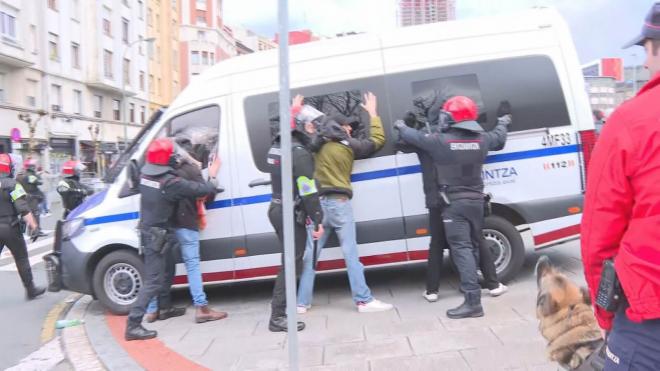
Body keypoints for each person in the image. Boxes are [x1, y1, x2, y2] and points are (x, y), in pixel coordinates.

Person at [581, 3, 660, 368]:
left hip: (650, 314)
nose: (645, 63)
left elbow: (600, 234)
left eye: (646, 49)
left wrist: (606, 315)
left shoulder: (630, 120)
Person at [394, 96, 510, 319]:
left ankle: (472, 301)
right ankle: (480, 287)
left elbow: (412, 136)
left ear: (452, 118)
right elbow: (499, 136)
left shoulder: (440, 141)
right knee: (474, 244)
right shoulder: (482, 139)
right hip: (477, 202)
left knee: (462, 249)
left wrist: (400, 125)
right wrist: (504, 120)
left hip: (454, 205)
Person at [297, 92, 394, 314]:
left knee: (311, 256)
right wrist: (373, 114)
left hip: (318, 207)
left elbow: (303, 137)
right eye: (347, 126)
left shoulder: (315, 146)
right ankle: (363, 300)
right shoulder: (349, 146)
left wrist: (299, 115)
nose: (350, 129)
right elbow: (378, 141)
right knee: (350, 253)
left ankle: (302, 303)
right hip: (339, 203)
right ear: (341, 128)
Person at [125, 138, 221, 341]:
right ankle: (133, 324)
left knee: (166, 271)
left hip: (150, 232)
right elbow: (203, 190)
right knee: (153, 281)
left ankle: (164, 308)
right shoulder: (170, 183)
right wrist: (211, 175)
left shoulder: (144, 175)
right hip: (157, 235)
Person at [144, 135, 228, 324]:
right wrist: (212, 176)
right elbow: (206, 193)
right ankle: (201, 307)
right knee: (192, 265)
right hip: (187, 223)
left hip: (166, 226)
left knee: (160, 268)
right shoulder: (190, 170)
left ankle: (153, 309)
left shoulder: (160, 171)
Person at [266, 94, 325, 332]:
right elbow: (307, 188)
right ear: (299, 126)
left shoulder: (278, 146)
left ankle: (280, 313)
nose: (312, 129)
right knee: (291, 265)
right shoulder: (298, 152)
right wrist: (318, 219)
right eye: (309, 124)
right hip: (290, 212)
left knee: (288, 262)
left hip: (278, 207)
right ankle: (278, 317)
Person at [0, 153, 45, 300]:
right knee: (21, 258)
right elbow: (23, 208)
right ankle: (30, 290)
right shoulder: (12, 185)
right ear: (10, 169)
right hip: (10, 227)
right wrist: (34, 226)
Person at [17, 159, 46, 237]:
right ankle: (35, 230)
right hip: (32, 197)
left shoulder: (20, 175)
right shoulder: (31, 176)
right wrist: (38, 175)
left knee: (25, 213)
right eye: (33, 166)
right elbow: (39, 182)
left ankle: (25, 231)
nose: (35, 167)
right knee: (35, 213)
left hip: (23, 196)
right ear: (31, 167)